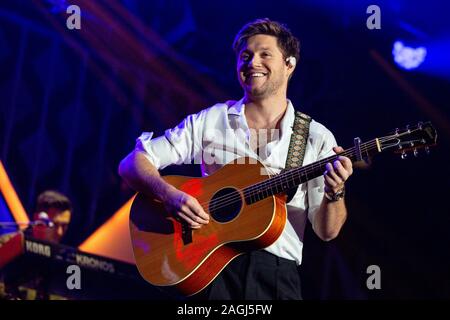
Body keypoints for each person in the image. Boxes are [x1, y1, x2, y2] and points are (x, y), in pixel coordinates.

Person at [119, 18, 353, 300]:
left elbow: (327, 232)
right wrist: (169, 196)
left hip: (275, 277)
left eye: (265, 54)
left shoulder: (316, 137)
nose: (252, 62)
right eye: (246, 56)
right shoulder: (212, 119)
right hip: (208, 268)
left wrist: (336, 191)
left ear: (289, 65)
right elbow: (132, 163)